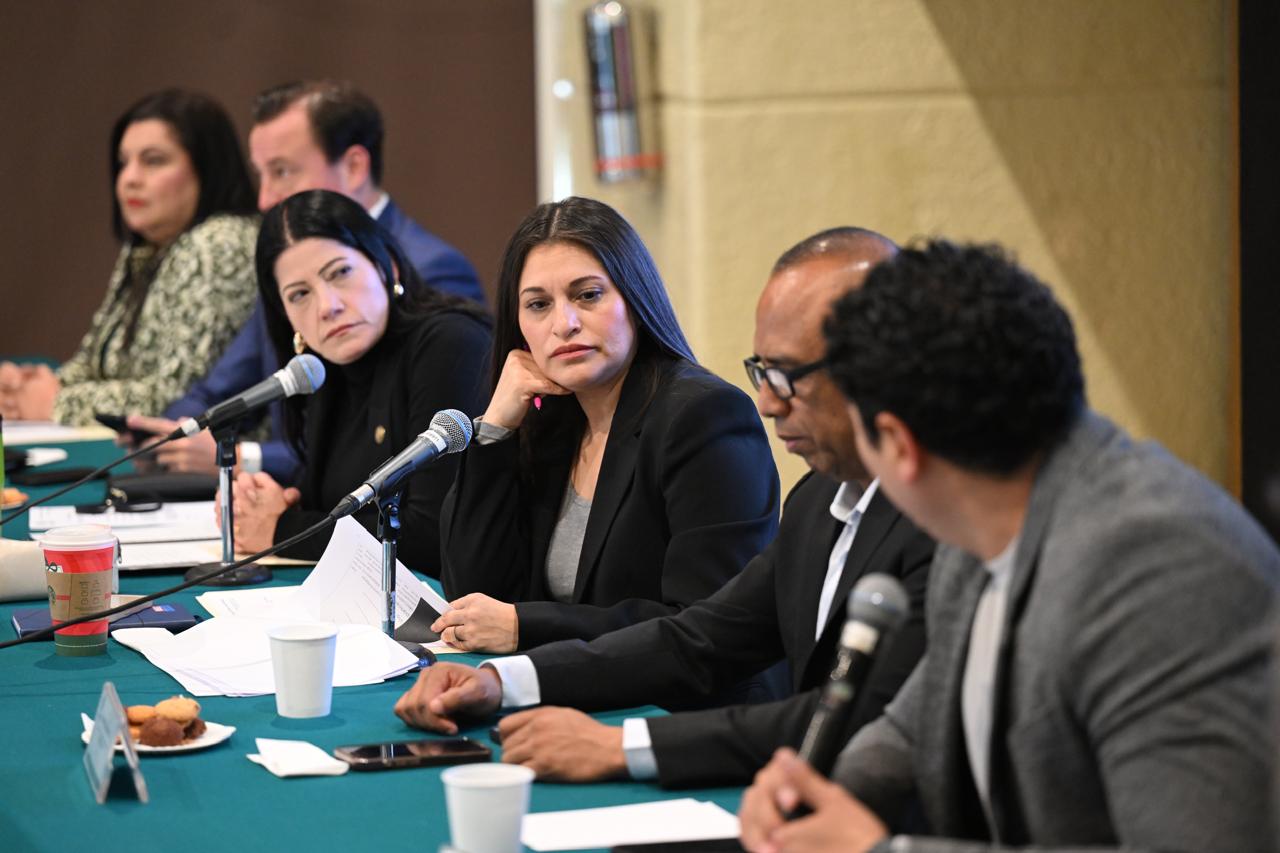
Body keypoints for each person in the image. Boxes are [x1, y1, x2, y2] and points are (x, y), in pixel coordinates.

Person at [738, 240, 1280, 853]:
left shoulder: (1164, 570)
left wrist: (883, 852)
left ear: (898, 444)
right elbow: (914, 727)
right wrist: (816, 797)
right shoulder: (981, 526)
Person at [393, 228, 934, 789]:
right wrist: (502, 681)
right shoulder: (821, 496)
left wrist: (619, 746)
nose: (768, 402)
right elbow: (699, 636)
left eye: (786, 375)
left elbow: (859, 715)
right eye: (762, 371)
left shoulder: (939, 523)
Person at [429, 195, 781, 672]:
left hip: (678, 705)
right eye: (538, 305)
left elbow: (706, 626)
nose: (564, 324)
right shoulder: (551, 420)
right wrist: (495, 429)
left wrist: (528, 626)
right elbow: (473, 594)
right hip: (566, 689)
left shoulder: (703, 416)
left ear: (634, 299)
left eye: (588, 295)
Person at [128, 80, 484, 481]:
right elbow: (222, 390)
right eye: (300, 294)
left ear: (353, 167)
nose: (264, 199)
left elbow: (403, 458)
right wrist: (172, 433)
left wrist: (245, 458)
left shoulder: (434, 269)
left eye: (281, 171)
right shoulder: (290, 264)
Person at [225, 189, 490, 573]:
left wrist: (282, 529)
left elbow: (436, 537)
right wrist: (267, 504)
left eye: (340, 273)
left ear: (388, 267)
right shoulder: (326, 369)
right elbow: (327, 504)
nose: (327, 306)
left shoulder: (450, 344)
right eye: (300, 294)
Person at [0, 89, 257, 424]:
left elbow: (180, 397)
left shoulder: (220, 243)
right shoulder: (147, 248)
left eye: (153, 161)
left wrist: (58, 402)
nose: (129, 179)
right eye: (123, 163)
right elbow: (95, 363)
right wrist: (27, 387)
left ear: (207, 167)